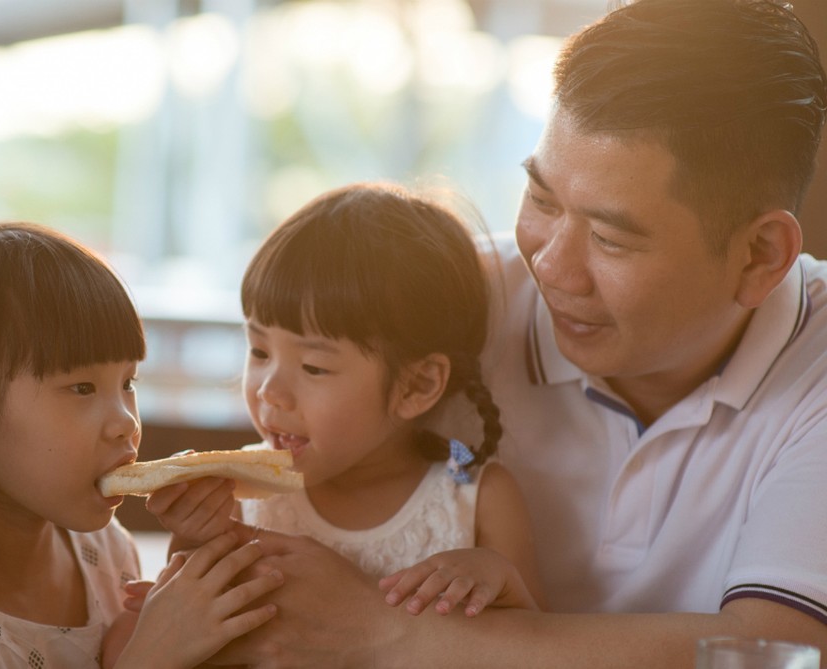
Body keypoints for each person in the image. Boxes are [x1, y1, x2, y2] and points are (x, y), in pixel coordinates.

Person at [208, 0, 827, 666]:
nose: (551, 267)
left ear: (760, 254)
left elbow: (782, 649)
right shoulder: (439, 302)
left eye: (611, 238)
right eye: (541, 200)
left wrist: (388, 629)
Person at [0, 223, 285, 669]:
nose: (126, 422)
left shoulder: (107, 552)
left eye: (128, 382)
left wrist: (190, 557)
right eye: (82, 388)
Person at [145, 182, 544, 618]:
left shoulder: (478, 499)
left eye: (314, 367)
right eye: (259, 351)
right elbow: (188, 641)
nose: (268, 390)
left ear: (417, 386)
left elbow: (534, 647)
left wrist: (495, 579)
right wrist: (193, 539)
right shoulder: (237, 500)